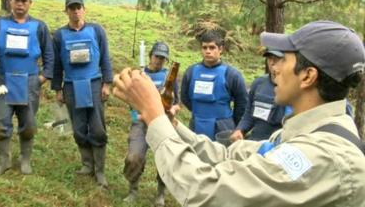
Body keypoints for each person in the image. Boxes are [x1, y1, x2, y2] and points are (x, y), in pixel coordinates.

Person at [113, 21, 365, 206]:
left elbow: (206, 191)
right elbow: (227, 154)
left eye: (282, 60)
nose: (273, 68)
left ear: (308, 76)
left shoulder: (323, 157)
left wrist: (154, 115)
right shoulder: (302, 134)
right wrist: (170, 123)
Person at [0, 0, 54, 176]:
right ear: (10, 1)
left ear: (30, 3)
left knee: (29, 124)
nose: (20, 3)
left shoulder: (39, 27)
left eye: (24, 0)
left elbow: (49, 54)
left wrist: (43, 77)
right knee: (0, 123)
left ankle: (25, 160)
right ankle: (3, 161)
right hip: (3, 80)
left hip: (30, 82)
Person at [51, 0, 113, 188]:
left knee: (97, 128)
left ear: (84, 9)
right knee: (78, 128)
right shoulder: (59, 35)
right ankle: (87, 164)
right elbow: (57, 64)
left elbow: (105, 59)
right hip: (70, 87)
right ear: (66, 11)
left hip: (94, 84)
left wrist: (107, 83)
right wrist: (57, 88)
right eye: (71, 8)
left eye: (78, 7)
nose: (75, 10)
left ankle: (100, 171)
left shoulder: (97, 30)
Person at [123, 42, 180, 206]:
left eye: (163, 58)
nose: (159, 61)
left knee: (164, 159)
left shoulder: (170, 77)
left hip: (162, 123)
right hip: (140, 123)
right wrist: (136, 114)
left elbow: (177, 102)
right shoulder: (139, 74)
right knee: (134, 157)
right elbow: (130, 99)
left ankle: (160, 193)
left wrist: (174, 109)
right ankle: (132, 189)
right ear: (150, 56)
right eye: (157, 56)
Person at [181, 30, 248, 140]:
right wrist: (201, 112)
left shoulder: (232, 74)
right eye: (204, 47)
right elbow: (184, 97)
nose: (208, 51)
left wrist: (234, 125)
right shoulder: (191, 72)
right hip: (196, 126)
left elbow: (242, 103)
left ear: (220, 49)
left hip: (223, 128)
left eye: (212, 47)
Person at [231, 49, 291, 141]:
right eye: (270, 58)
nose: (272, 63)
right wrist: (240, 129)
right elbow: (248, 114)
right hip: (254, 142)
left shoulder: (292, 89)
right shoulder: (259, 83)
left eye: (277, 59)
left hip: (276, 145)